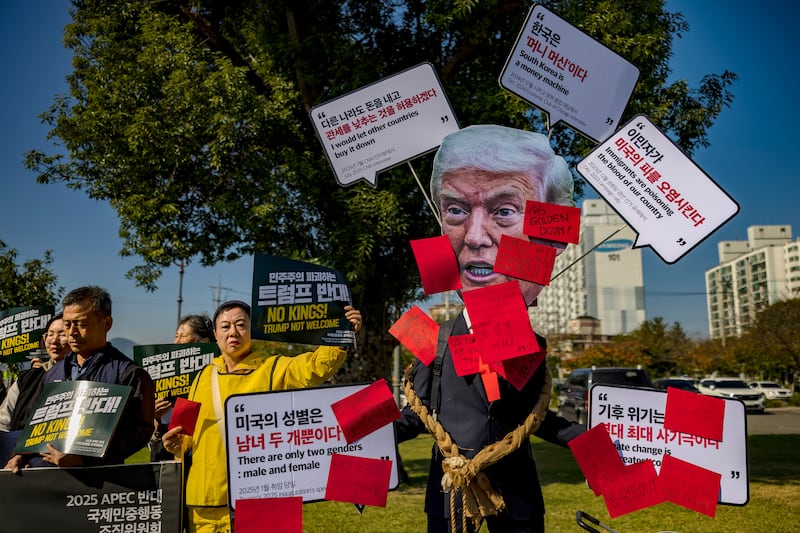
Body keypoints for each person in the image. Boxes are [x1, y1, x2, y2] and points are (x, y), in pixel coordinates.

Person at [395, 125, 584, 533]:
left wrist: (593, 443)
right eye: (457, 211)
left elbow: (536, 416)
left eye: (504, 212)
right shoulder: (432, 336)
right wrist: (349, 436)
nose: (477, 238)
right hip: (451, 493)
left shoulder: (530, 342)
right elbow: (415, 415)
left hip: (515, 497)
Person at [162, 299, 362, 533]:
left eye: (241, 324)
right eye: (225, 327)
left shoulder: (273, 367)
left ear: (252, 330)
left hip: (261, 496)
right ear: (215, 335)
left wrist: (340, 335)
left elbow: (314, 368)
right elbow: (184, 432)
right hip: (205, 501)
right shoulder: (202, 376)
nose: (233, 332)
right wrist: (173, 442)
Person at [4, 286, 156, 471]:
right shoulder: (53, 372)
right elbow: (36, 426)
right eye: (67, 324)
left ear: (107, 323)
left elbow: (141, 430)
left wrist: (85, 460)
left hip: (94, 485)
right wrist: (20, 454)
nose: (72, 332)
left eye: (82, 324)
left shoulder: (129, 374)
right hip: (43, 479)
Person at [0, 313, 70, 462]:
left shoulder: (81, 378)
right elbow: (3, 423)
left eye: (62, 334)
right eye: (49, 334)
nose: (54, 340)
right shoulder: (26, 380)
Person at [150, 314, 216, 462]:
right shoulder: (165, 373)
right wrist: (155, 416)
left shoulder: (216, 374)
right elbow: (154, 434)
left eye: (183, 336)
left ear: (203, 342)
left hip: (201, 450)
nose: (177, 342)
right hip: (167, 450)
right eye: (176, 336)